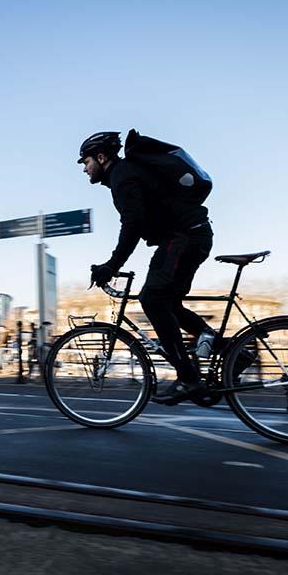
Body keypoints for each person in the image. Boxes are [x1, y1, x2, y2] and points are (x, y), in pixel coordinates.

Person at [80, 130, 214, 405]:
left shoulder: (122, 176)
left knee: (152, 300)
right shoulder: (124, 174)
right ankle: (233, 353)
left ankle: (188, 379)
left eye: (86, 161)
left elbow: (133, 225)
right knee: (167, 302)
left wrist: (111, 265)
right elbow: (136, 224)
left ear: (101, 157)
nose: (85, 168)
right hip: (187, 236)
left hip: (184, 237)